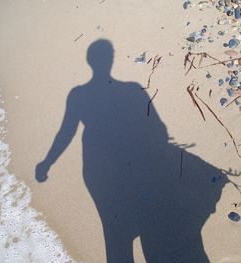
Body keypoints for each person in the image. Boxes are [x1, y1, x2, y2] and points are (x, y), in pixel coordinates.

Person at [36, 39, 229, 262]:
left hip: (97, 172)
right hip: (134, 169)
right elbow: (160, 131)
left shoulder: (77, 94)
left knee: (115, 232)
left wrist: (47, 163)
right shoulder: (132, 90)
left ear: (90, 62)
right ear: (111, 59)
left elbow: (66, 132)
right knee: (149, 225)